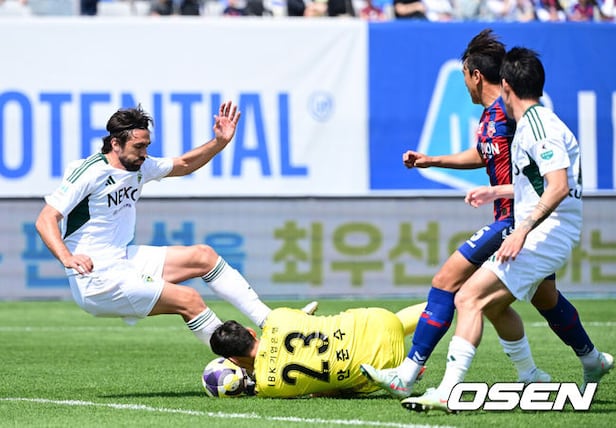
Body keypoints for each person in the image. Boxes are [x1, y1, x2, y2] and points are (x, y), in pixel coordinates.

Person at [360, 29, 608, 400]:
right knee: (532, 300)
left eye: (464, 75)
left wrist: (520, 223)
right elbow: (486, 154)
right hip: (521, 218)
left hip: (517, 222)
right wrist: (433, 160)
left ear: (477, 76)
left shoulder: (517, 116)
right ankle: (558, 368)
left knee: (449, 283)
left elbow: (553, 179)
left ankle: (408, 374)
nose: (465, 84)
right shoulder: (495, 117)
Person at [35, 102, 304, 350]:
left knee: (203, 256)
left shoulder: (140, 166)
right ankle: (249, 363)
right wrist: (67, 258)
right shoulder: (90, 171)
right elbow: (46, 219)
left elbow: (184, 164)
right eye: (138, 147)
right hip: (96, 277)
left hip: (121, 259)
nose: (144, 154)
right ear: (115, 143)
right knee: (189, 299)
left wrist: (219, 142)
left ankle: (273, 324)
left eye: (146, 146)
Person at [209, 302, 427, 398]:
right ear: (251, 332)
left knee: (331, 389)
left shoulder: (268, 386)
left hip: (385, 365)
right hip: (380, 320)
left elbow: (325, 391)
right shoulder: (277, 317)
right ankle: (441, 306)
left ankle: (408, 371)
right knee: (389, 323)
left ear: (233, 360)